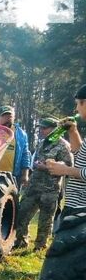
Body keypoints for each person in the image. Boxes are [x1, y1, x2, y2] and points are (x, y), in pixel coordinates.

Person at [14, 117, 73, 251]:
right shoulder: (41, 143)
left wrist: (46, 167)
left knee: (45, 220)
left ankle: (40, 246)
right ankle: (21, 241)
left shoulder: (63, 145)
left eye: (44, 128)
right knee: (22, 213)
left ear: (54, 129)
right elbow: (35, 160)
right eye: (40, 128)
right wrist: (35, 166)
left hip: (50, 189)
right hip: (34, 186)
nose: (41, 130)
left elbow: (68, 166)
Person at [45, 84, 86, 217]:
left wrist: (66, 170)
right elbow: (80, 157)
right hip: (76, 207)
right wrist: (73, 131)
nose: (76, 109)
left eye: (78, 104)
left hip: (81, 210)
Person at [0, 105, 32, 188]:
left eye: (10, 116)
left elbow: (25, 155)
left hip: (12, 176)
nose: (8, 118)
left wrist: (25, 175)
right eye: (4, 116)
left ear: (14, 117)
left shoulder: (21, 134)